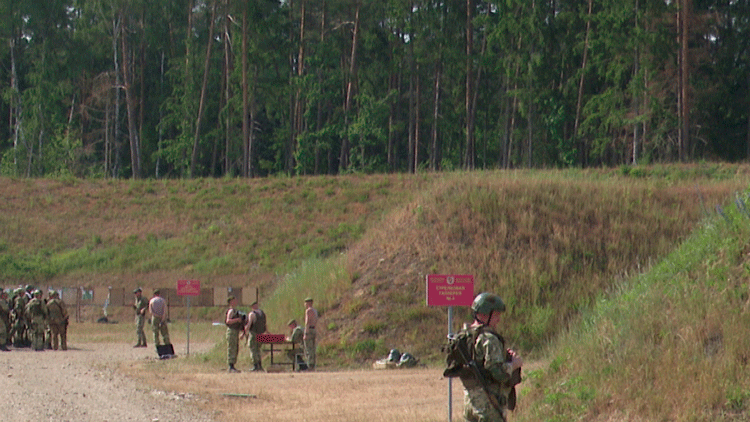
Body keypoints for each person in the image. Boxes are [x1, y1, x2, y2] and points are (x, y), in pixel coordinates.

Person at [459, 293, 523, 422]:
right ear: (484, 315)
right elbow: (498, 372)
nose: (499, 319)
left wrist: (503, 355)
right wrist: (515, 364)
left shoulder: (466, 335)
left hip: (470, 402)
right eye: (496, 315)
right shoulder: (489, 338)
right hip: (488, 404)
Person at [225, 296, 245, 373]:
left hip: (235, 331)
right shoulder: (231, 311)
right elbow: (228, 321)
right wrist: (237, 320)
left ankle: (233, 364)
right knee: (232, 347)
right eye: (234, 300)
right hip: (231, 331)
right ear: (231, 302)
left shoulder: (235, 310)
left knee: (235, 347)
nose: (236, 301)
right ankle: (230, 366)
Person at [244, 300, 266, 371]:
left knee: (253, 349)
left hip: (253, 333)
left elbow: (249, 324)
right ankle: (260, 365)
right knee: (258, 349)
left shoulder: (252, 314)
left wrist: (244, 332)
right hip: (260, 334)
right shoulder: (262, 313)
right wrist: (268, 333)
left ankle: (255, 366)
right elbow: (265, 325)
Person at [303, 297, 318, 370]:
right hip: (314, 329)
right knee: (313, 348)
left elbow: (307, 322)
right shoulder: (315, 311)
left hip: (309, 330)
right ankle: (313, 365)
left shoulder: (308, 311)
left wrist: (305, 333)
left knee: (308, 348)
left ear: (308, 303)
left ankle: (310, 365)